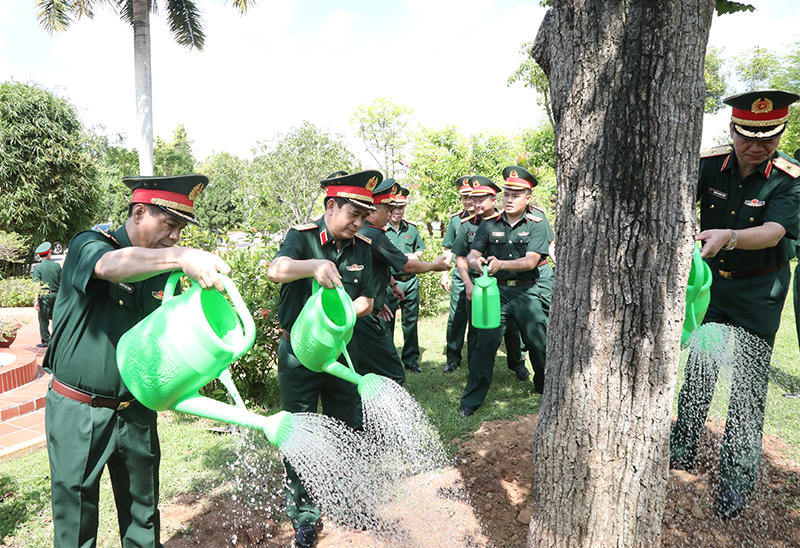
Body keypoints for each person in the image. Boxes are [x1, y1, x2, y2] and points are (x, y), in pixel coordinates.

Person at [44, 174, 230, 547]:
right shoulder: (90, 244)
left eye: (181, 230)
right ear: (140, 212)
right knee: (75, 519)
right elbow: (109, 267)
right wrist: (181, 256)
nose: (175, 236)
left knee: (143, 515)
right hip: (79, 410)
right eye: (170, 224)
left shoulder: (165, 270)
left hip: (136, 411)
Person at [670, 90, 800, 520]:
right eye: (748, 136)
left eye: (768, 138)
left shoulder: (789, 177)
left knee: (747, 388)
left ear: (780, 134)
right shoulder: (708, 165)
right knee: (700, 370)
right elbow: (674, 203)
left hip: (760, 293)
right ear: (732, 129)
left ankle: (736, 482)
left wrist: (728, 236)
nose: (757, 146)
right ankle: (680, 454)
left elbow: (775, 230)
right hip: (712, 290)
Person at [267, 170, 381, 548]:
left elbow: (368, 299)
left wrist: (348, 311)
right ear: (331, 206)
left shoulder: (362, 247)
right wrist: (312, 266)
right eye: (353, 214)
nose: (358, 223)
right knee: (300, 431)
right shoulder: (301, 238)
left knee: (347, 425)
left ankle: (347, 502)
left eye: (364, 217)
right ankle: (305, 516)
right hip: (298, 353)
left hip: (341, 351)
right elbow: (275, 270)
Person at [459, 166, 552, 416]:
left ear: (528, 198)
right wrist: (476, 262)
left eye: (516, 195)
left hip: (526, 292)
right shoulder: (489, 225)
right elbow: (472, 254)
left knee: (538, 342)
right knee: (485, 345)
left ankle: (544, 387)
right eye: (507, 194)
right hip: (496, 293)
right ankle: (471, 400)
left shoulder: (537, 224)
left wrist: (501, 264)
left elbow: (531, 261)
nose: (509, 199)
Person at [355, 178, 450, 384]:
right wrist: (435, 265)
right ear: (373, 210)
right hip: (364, 314)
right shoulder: (374, 234)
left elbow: (375, 265)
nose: (390, 215)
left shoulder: (361, 230)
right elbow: (406, 266)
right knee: (393, 373)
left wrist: (392, 284)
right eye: (387, 210)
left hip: (365, 305)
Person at [452, 176, 528, 381]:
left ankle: (517, 363)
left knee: (511, 327)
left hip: (502, 284)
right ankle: (476, 368)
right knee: (477, 326)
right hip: (477, 285)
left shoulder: (505, 222)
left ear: (494, 200)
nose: (476, 204)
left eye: (481, 200)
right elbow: (460, 257)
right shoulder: (466, 225)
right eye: (473, 200)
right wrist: (468, 284)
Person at [384, 187, 426, 373]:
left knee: (410, 322)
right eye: (394, 207)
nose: (397, 211)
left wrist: (414, 256)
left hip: (410, 281)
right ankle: (388, 360)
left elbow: (419, 249)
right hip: (388, 282)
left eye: (401, 207)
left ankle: (411, 359)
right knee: (387, 322)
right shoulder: (381, 230)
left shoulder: (411, 229)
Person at [441, 176, 474, 373]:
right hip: (461, 276)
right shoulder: (456, 220)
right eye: (464, 197)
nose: (468, 201)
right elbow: (448, 249)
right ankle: (453, 358)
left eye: (471, 196)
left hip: (483, 276)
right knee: (456, 316)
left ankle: (476, 359)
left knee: (479, 318)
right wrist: (444, 274)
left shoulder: (490, 218)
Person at [31, 241, 61, 347]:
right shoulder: (57, 266)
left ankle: (46, 341)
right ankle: (57, 340)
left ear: (40, 256)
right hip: (57, 295)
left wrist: (36, 299)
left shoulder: (37, 268)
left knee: (43, 319)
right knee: (56, 317)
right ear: (49, 254)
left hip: (44, 296)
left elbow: (37, 285)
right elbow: (62, 282)